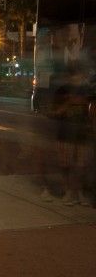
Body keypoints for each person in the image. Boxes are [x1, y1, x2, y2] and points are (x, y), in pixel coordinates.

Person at [48, 70, 90, 206]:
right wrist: (68, 103)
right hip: (65, 135)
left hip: (80, 136)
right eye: (73, 76)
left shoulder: (84, 91)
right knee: (65, 165)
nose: (77, 78)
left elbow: (88, 112)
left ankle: (79, 193)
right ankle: (67, 192)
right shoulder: (61, 91)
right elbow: (53, 112)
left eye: (79, 75)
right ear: (68, 77)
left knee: (80, 167)